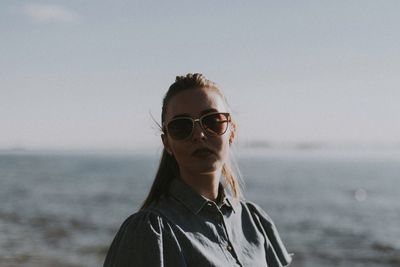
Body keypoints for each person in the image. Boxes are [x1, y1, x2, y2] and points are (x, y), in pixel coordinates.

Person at [103, 73, 293, 267]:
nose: (200, 135)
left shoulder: (254, 221)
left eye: (212, 121)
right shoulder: (150, 231)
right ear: (167, 142)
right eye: (181, 126)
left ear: (232, 131)